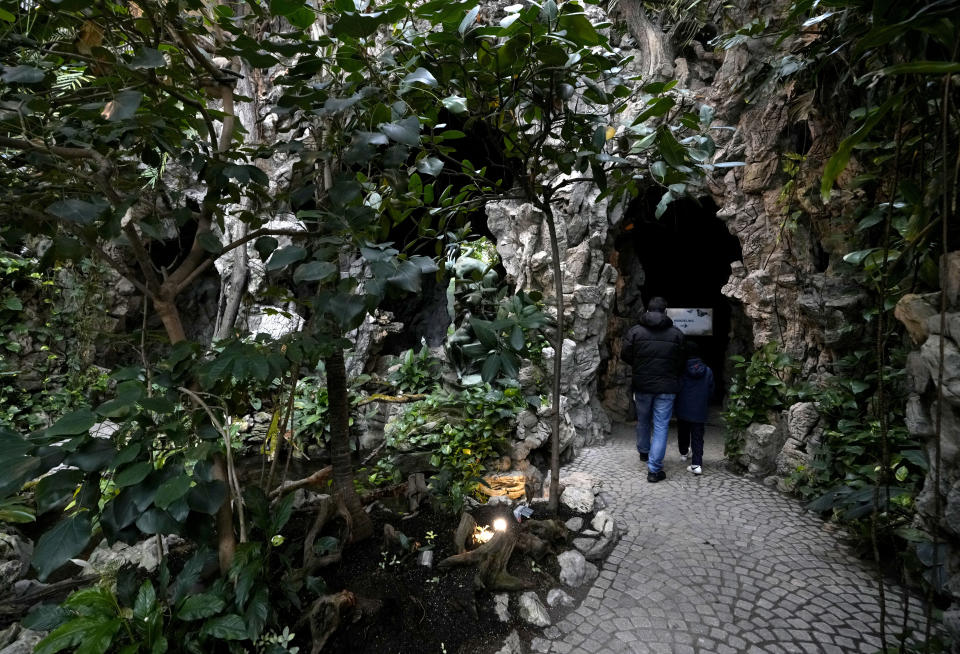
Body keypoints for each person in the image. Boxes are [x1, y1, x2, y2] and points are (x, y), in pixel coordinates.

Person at [620, 296, 685, 483]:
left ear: (648, 311)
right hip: (667, 386)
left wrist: (640, 365)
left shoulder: (635, 332)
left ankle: (644, 451)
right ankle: (654, 470)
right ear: (666, 312)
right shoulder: (676, 334)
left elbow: (625, 354)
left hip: (642, 385)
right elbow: (681, 360)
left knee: (643, 419)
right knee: (661, 425)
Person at [674, 341, 714, 475]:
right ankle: (696, 464)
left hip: (683, 407)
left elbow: (677, 387)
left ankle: (684, 452)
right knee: (697, 436)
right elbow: (711, 390)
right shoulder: (707, 370)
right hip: (699, 409)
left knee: (683, 431)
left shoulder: (681, 370)